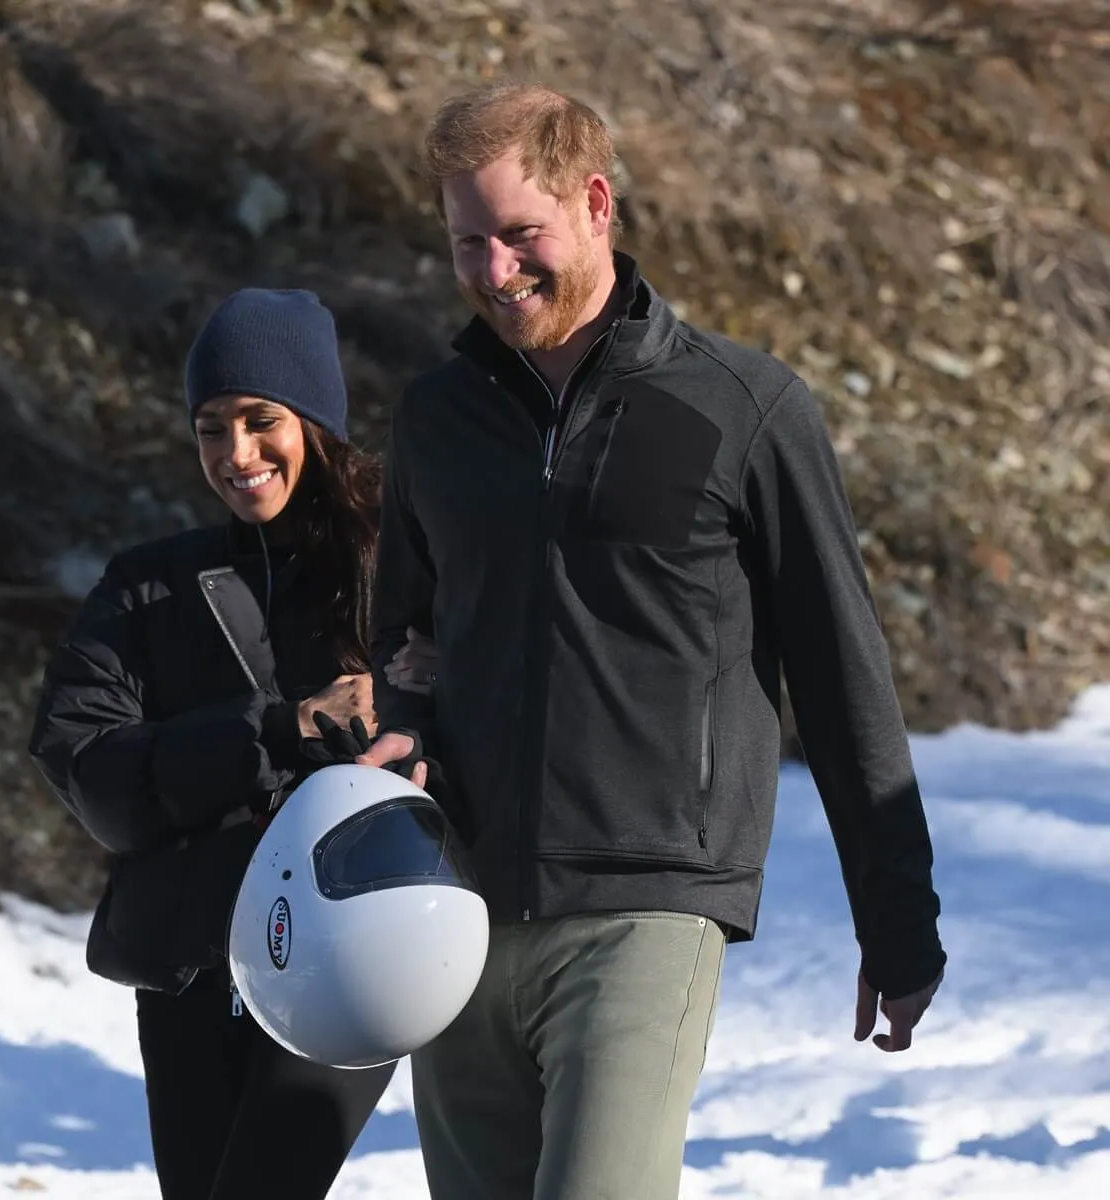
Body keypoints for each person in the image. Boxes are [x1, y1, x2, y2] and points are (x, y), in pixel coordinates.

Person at [358, 83, 947, 1200]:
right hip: (461, 915)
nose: (493, 272)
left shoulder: (744, 409)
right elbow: (408, 637)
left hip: (649, 902)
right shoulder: (436, 419)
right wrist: (406, 733)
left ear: (594, 203)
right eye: (466, 244)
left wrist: (897, 916)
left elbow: (841, 674)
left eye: (519, 235)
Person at [27, 288, 434, 1200]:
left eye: (261, 421)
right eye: (212, 428)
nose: (236, 454)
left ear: (315, 423)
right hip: (191, 965)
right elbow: (89, 771)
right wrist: (277, 728)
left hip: (348, 951)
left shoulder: (398, 573)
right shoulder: (146, 588)